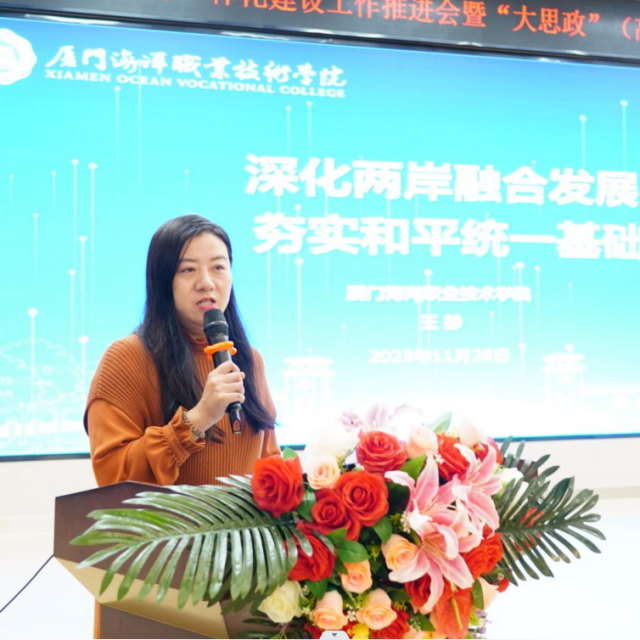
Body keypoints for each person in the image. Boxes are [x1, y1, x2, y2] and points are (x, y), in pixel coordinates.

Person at [85, 215, 279, 487]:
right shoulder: (126, 358)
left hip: (242, 519)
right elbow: (112, 476)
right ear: (163, 281)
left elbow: (270, 462)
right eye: (188, 270)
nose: (206, 282)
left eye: (218, 267)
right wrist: (199, 418)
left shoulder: (249, 358)